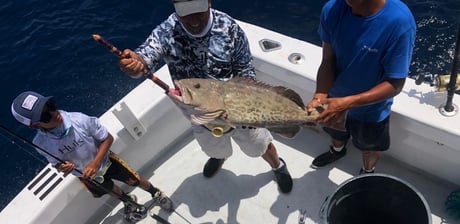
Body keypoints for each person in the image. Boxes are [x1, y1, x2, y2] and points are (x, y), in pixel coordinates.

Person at [118, 0, 293, 193]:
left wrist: (245, 107)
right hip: (199, 114)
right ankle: (219, 156)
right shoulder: (166, 32)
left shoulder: (229, 28)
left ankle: (277, 165)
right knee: (214, 147)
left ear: (208, 2)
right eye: (185, 12)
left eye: (198, 11)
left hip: (237, 111)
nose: (193, 20)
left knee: (260, 145)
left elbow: (246, 71)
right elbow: (142, 62)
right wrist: (134, 64)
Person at [11, 91, 173, 213]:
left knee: (135, 179)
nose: (54, 114)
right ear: (35, 125)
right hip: (86, 176)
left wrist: (95, 163)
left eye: (51, 107)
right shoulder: (40, 144)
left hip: (107, 162)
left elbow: (107, 138)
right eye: (45, 116)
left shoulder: (79, 119)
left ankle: (155, 192)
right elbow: (56, 164)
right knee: (111, 190)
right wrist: (62, 168)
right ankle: (128, 201)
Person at [307, 0, 416, 174]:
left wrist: (347, 104)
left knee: (369, 147)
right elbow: (329, 59)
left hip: (371, 109)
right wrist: (320, 96)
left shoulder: (399, 22)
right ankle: (337, 151)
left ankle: (367, 171)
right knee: (335, 133)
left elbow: (395, 84)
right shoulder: (332, 9)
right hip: (333, 100)